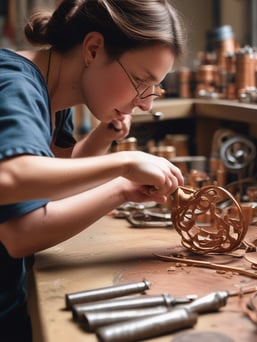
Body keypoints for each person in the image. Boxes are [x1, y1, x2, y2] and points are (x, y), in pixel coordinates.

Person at [0, 0, 185, 340]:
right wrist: (125, 165)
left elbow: (51, 184)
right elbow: (18, 214)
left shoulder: (55, 97)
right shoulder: (15, 85)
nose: (145, 103)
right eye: (141, 82)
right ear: (94, 49)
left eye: (153, 89)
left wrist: (105, 144)